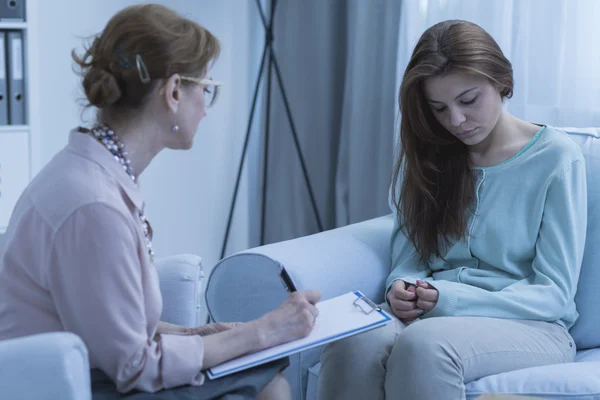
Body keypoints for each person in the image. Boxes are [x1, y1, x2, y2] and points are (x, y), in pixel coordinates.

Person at [0, 4, 321, 400]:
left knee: (266, 376)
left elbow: (110, 322)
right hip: (64, 386)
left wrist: (196, 333)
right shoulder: (93, 205)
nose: (205, 106)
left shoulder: (99, 173)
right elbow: (133, 365)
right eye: (206, 88)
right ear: (172, 92)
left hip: (95, 367)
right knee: (269, 384)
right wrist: (262, 331)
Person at [318, 19, 587, 400]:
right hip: (435, 310)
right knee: (353, 338)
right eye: (439, 108)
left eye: (468, 100)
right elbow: (410, 258)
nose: (455, 121)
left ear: (501, 81)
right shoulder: (433, 152)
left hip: (533, 325)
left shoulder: (556, 159)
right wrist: (401, 286)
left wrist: (447, 298)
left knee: (425, 345)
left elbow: (553, 294)